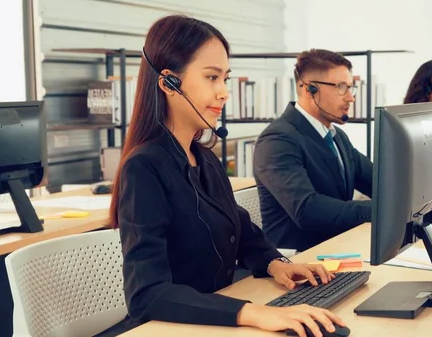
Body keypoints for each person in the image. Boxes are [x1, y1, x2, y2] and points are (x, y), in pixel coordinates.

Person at [98, 15, 346, 337]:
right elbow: (147, 294)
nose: (224, 92)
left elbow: (242, 232)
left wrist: (279, 265)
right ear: (169, 83)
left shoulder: (204, 158)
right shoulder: (144, 168)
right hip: (170, 328)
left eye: (225, 78)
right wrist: (251, 313)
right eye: (212, 78)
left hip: (213, 320)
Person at [253, 49, 373, 253]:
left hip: (338, 252)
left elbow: (377, 181)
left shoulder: (336, 137)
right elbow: (308, 210)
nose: (351, 98)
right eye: (341, 88)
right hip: (299, 263)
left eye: (351, 88)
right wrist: (384, 210)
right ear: (310, 89)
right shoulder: (277, 140)